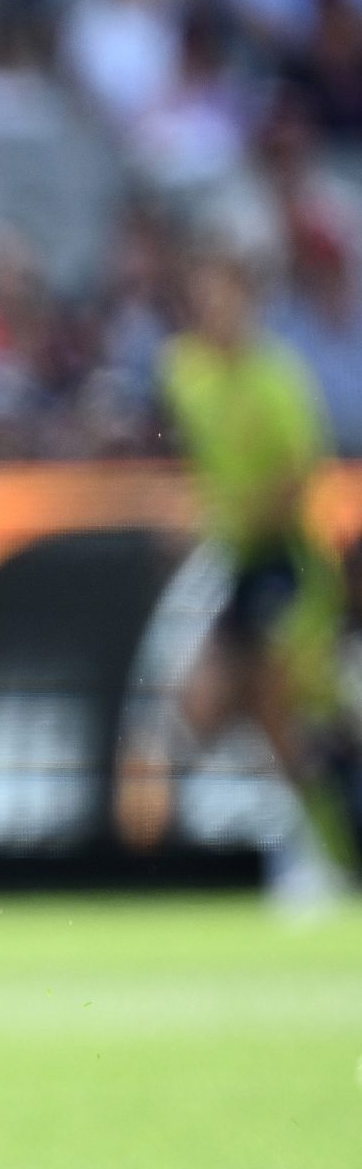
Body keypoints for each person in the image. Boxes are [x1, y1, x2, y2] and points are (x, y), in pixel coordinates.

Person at [161, 248, 355, 899]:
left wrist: (223, 515)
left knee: (278, 705)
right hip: (238, 566)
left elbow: (299, 480)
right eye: (205, 295)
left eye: (227, 295)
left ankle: (319, 856)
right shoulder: (185, 372)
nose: (216, 310)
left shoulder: (277, 376)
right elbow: (196, 462)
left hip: (289, 562)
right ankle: (307, 828)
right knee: (204, 707)